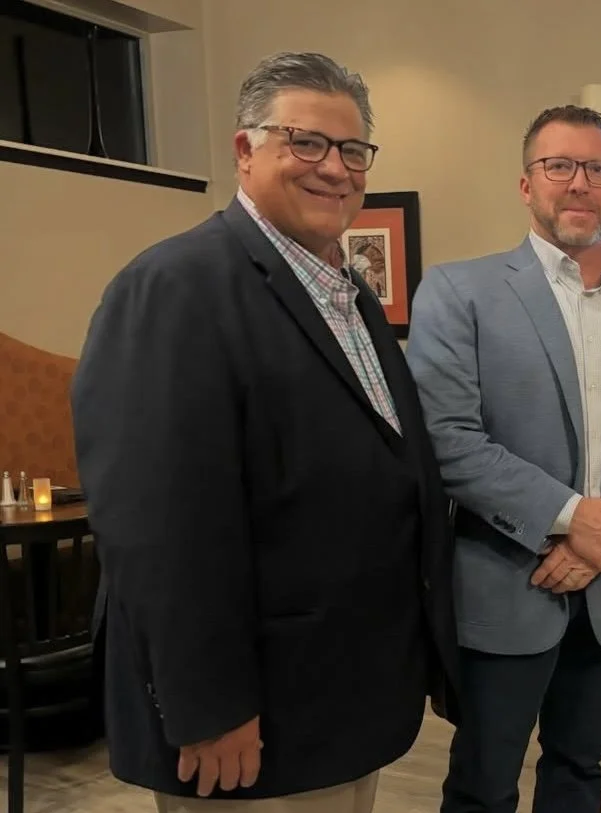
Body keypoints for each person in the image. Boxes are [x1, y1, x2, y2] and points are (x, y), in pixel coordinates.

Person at [70, 51, 457, 812]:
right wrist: (208, 707)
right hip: (247, 730)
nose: (333, 168)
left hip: (337, 704)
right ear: (245, 150)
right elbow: (159, 529)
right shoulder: (174, 288)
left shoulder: (349, 297)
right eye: (305, 142)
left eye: (352, 150)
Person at [405, 105, 601, 813]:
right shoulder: (461, 292)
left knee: (580, 770)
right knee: (483, 783)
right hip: (508, 581)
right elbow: (448, 438)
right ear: (525, 184)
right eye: (559, 166)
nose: (579, 184)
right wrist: (572, 518)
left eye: (596, 169)